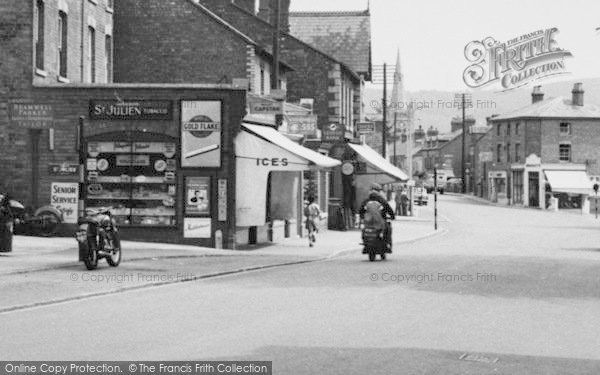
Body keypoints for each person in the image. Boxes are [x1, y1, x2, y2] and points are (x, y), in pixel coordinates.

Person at [358, 183, 395, 252]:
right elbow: (389, 209)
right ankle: (387, 244)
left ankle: (365, 243)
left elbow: (361, 210)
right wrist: (392, 216)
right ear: (378, 191)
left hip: (368, 222)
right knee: (388, 229)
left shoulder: (367, 200)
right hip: (380, 222)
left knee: (364, 230)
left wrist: (362, 217)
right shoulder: (381, 200)